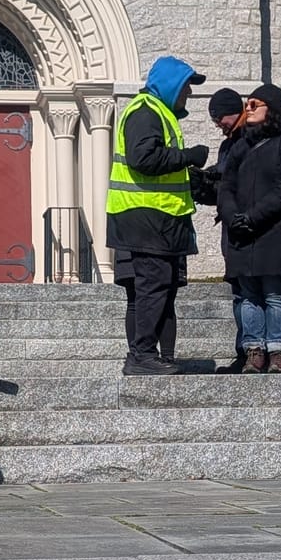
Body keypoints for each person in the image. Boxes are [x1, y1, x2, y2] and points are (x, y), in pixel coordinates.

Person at [107, 55, 210, 375]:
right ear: (170, 85)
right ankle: (142, 356)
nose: (189, 93)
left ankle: (145, 355)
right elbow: (143, 158)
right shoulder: (146, 111)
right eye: (186, 86)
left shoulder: (156, 113)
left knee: (156, 286)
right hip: (147, 218)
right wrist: (188, 156)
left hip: (155, 218)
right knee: (153, 285)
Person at [216, 82, 281, 370]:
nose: (248, 108)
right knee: (248, 295)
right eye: (247, 104)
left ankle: (278, 350)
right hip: (241, 235)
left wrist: (254, 216)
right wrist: (232, 216)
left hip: (273, 232)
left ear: (272, 109)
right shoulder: (239, 148)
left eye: (255, 104)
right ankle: (253, 349)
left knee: (275, 293)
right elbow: (226, 187)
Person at [194, 88, 249, 368]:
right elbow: (224, 186)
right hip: (231, 227)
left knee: (255, 292)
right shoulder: (227, 145)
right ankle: (245, 351)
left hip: (249, 226)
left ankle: (262, 350)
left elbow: (238, 179)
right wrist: (203, 184)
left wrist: (216, 176)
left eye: (219, 119)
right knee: (239, 292)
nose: (219, 126)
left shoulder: (251, 138)